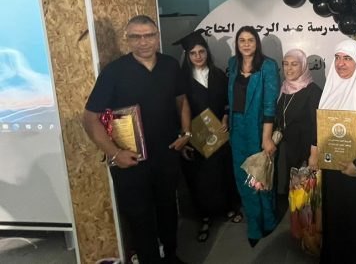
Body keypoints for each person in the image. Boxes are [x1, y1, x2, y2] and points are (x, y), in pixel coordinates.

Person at [83, 15, 191, 264]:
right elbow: (90, 119)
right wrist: (115, 153)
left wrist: (186, 133)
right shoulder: (114, 72)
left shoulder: (170, 65)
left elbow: (182, 100)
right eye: (136, 37)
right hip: (130, 161)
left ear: (157, 37)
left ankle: (171, 257)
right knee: (140, 218)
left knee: (168, 210)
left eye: (149, 35)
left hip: (166, 155)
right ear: (127, 39)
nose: (143, 42)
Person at [173, 30, 241, 243]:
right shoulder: (181, 80)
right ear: (187, 56)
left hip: (218, 134)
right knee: (200, 178)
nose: (198, 56)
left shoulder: (219, 74)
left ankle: (227, 208)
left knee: (222, 172)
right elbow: (177, 110)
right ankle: (205, 216)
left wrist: (225, 118)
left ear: (207, 52)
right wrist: (184, 137)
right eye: (193, 53)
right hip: (195, 137)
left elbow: (228, 101)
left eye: (202, 51)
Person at [319, 39, 356, 264]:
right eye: (337, 57)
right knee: (334, 215)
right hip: (332, 167)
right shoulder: (331, 85)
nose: (340, 64)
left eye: (347, 58)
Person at [227, 26, 280, 247]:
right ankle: (254, 225)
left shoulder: (268, 66)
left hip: (258, 128)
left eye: (251, 40)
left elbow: (269, 105)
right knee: (243, 178)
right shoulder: (233, 63)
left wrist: (266, 138)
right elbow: (230, 98)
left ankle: (268, 220)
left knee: (260, 177)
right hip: (237, 129)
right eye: (242, 40)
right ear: (237, 43)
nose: (246, 44)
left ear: (257, 42)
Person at [274, 48, 322, 177]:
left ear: (304, 66)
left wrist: (314, 155)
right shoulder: (284, 87)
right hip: (287, 148)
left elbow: (318, 126)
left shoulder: (313, 91)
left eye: (294, 64)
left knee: (302, 187)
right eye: (286, 64)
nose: (289, 68)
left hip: (305, 151)